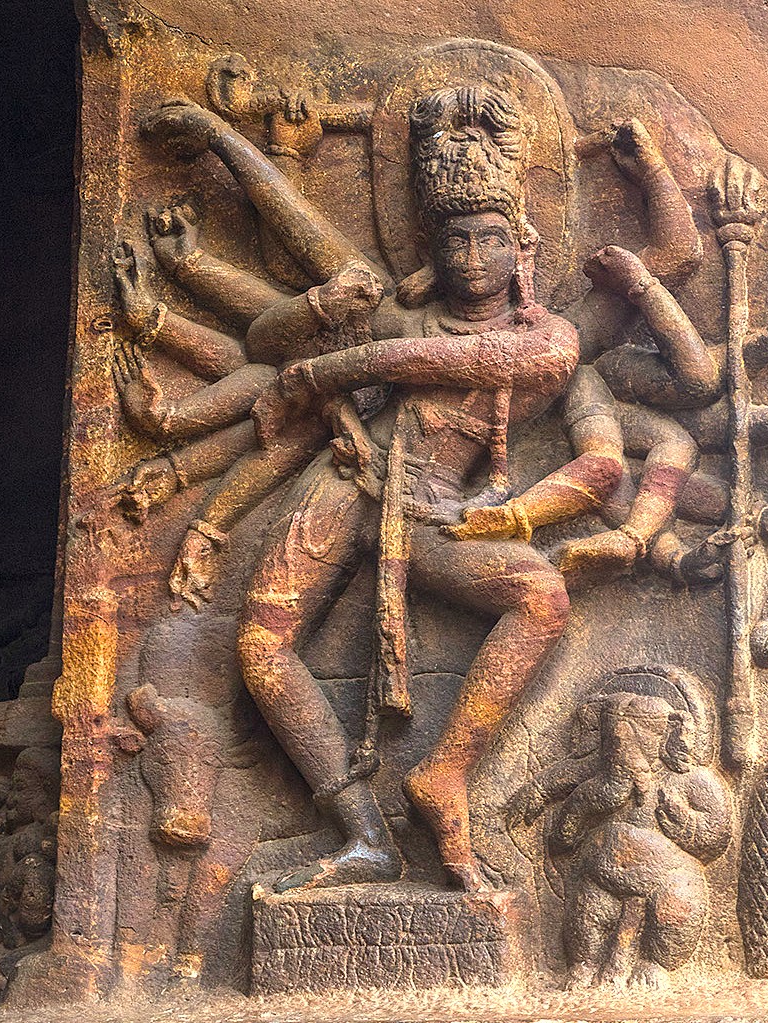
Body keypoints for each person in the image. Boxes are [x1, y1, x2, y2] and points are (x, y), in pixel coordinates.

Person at [142, 84, 618, 893]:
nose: (472, 255)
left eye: (492, 237)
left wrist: (509, 510)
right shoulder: (401, 313)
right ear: (431, 246)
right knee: (260, 647)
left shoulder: (548, 340)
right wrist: (222, 135)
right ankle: (363, 832)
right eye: (455, 237)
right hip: (349, 481)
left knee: (542, 596)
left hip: (433, 509)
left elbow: (517, 399)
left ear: (525, 247)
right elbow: (301, 233)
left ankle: (444, 775)